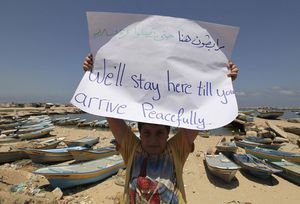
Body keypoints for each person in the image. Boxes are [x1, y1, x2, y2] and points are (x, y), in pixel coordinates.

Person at [83, 54, 239, 203]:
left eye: (159, 133)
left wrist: (222, 81)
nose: (153, 139)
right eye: (147, 133)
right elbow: (110, 112)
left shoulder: (176, 150)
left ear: (167, 134)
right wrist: (96, 74)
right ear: (139, 132)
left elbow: (200, 111)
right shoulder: (132, 149)